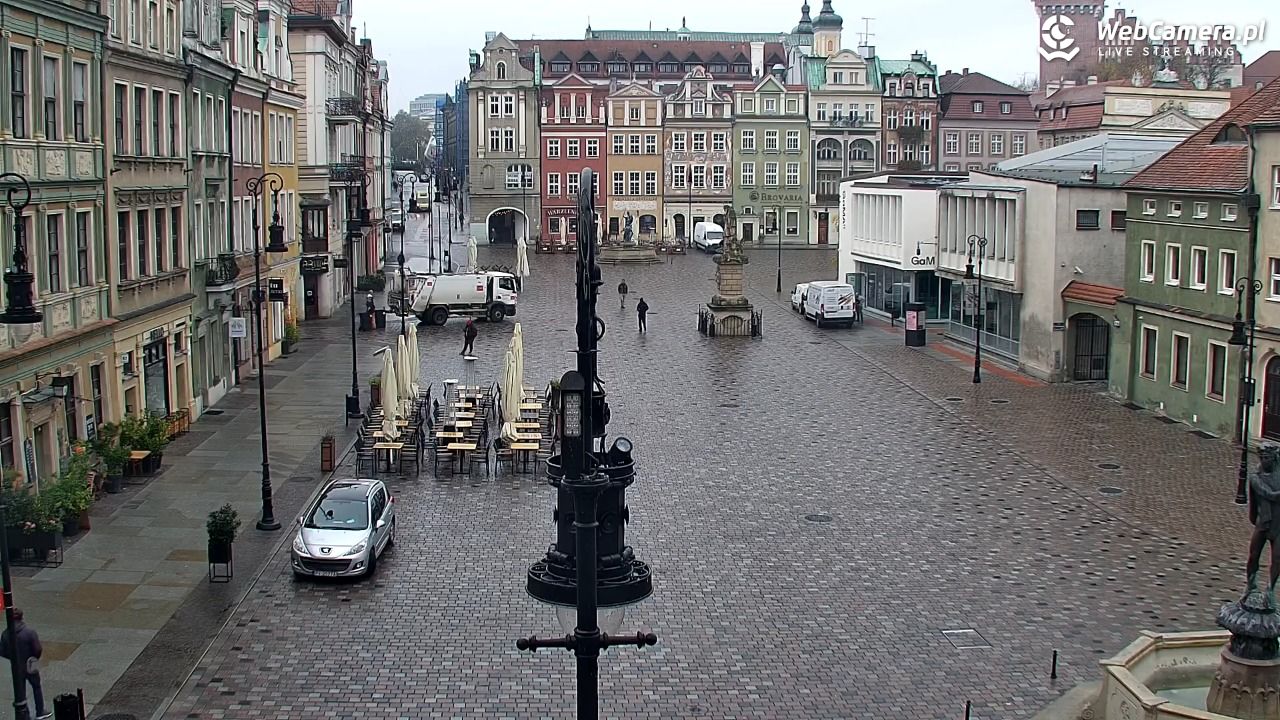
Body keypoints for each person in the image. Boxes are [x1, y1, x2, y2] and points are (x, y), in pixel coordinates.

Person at [0, 609, 49, 719]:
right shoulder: (29, 633)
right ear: (21, 618)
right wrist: (33, 658)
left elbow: (2, 651)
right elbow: (37, 649)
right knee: (36, 687)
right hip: (29, 665)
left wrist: (13, 658)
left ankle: (24, 712)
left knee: (20, 691)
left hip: (16, 667)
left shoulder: (5, 634)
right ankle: (40, 711)